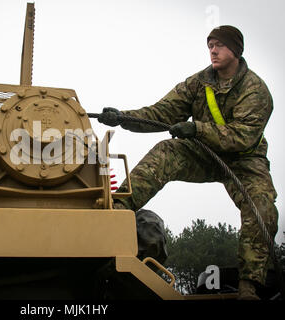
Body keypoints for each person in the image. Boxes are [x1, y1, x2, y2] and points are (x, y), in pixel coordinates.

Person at [97, 25, 278, 300]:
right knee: (167, 150)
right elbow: (161, 112)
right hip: (205, 154)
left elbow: (244, 136)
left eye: (219, 45)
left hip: (245, 160)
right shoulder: (198, 82)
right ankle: (118, 208)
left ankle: (249, 286)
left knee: (262, 208)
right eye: (210, 45)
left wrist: (198, 129)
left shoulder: (256, 90)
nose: (213, 51)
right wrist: (123, 117)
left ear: (236, 51)